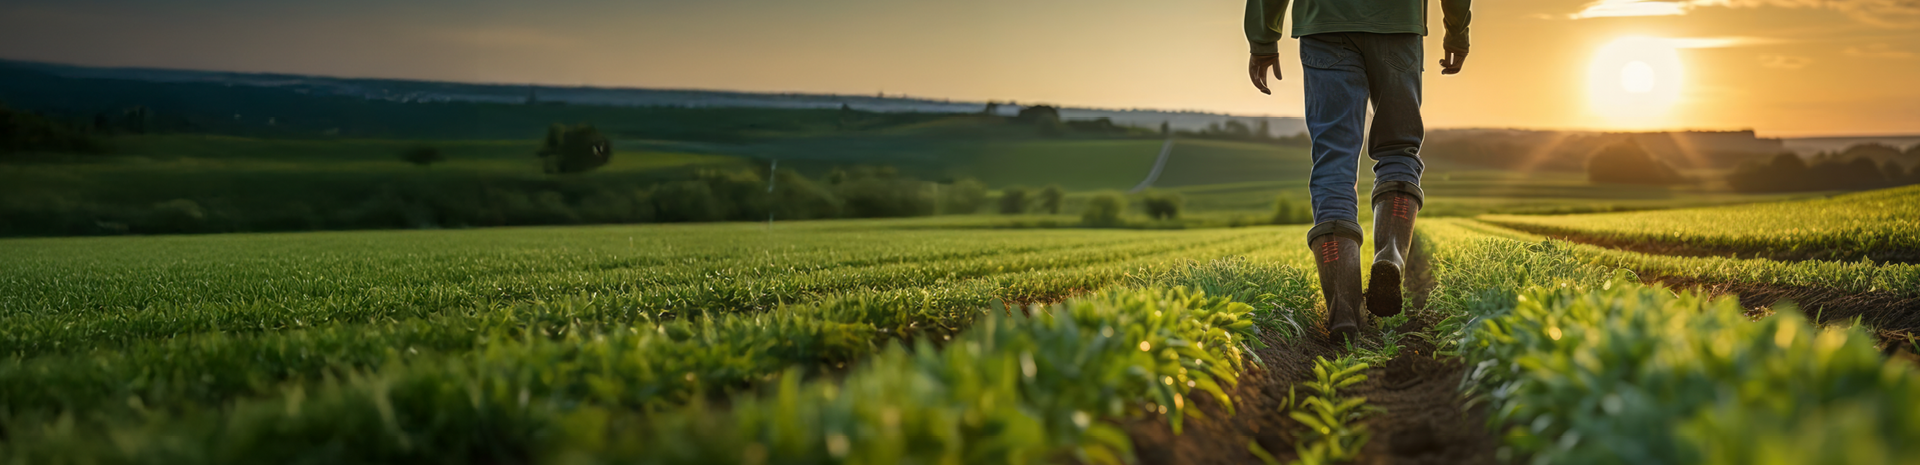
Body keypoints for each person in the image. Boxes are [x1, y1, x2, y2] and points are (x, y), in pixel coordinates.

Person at [1243, 0, 1471, 343]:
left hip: (1324, 24)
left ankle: (1343, 310)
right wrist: (1457, 31)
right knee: (1398, 148)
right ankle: (1391, 256)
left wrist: (1263, 39)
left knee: (1333, 162)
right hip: (1398, 23)